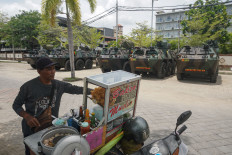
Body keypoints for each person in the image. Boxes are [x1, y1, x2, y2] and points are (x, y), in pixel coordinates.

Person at [12, 57, 92, 155]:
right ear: (39, 71)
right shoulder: (28, 87)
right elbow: (16, 105)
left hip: (50, 127)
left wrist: (95, 91)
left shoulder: (59, 85)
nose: (53, 72)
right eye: (48, 69)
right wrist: (27, 116)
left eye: (54, 68)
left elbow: (76, 89)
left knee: (48, 150)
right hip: (31, 129)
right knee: (31, 151)